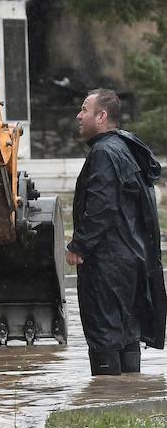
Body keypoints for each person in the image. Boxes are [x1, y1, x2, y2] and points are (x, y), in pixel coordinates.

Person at [66, 89, 166, 376]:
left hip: (107, 265)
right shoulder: (125, 148)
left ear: (102, 116)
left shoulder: (104, 153)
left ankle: (105, 394)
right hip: (132, 262)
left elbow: (102, 206)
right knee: (127, 334)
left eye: (84, 109)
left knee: (105, 335)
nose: (79, 116)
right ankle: (128, 394)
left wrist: (79, 245)